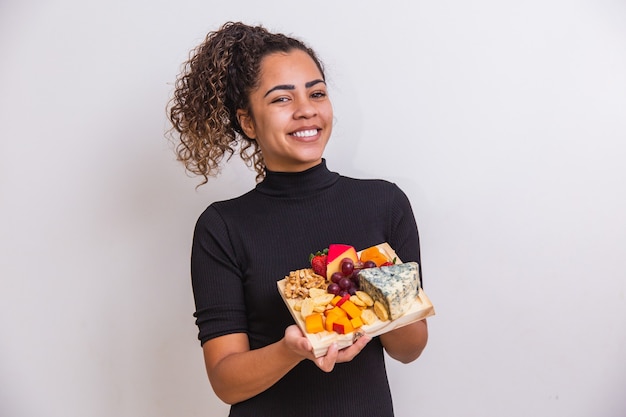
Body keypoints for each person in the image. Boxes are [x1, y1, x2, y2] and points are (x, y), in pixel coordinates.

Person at [167, 21, 428, 417]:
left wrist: (382, 288)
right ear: (248, 122)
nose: (306, 109)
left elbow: (410, 349)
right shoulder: (222, 227)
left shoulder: (384, 203)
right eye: (281, 99)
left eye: (317, 93)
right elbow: (225, 381)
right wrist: (293, 350)